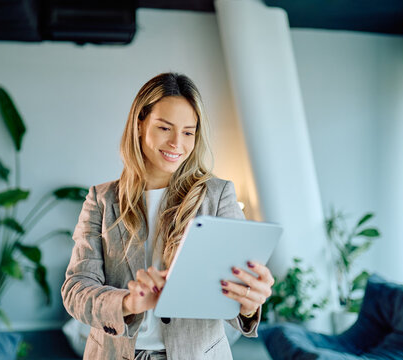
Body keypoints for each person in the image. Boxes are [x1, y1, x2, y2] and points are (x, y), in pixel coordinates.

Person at [61, 72, 274, 360]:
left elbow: (234, 292)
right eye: (165, 128)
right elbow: (76, 290)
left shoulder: (218, 194)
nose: (177, 143)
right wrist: (127, 303)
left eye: (188, 132)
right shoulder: (101, 200)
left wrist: (248, 303)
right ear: (140, 124)